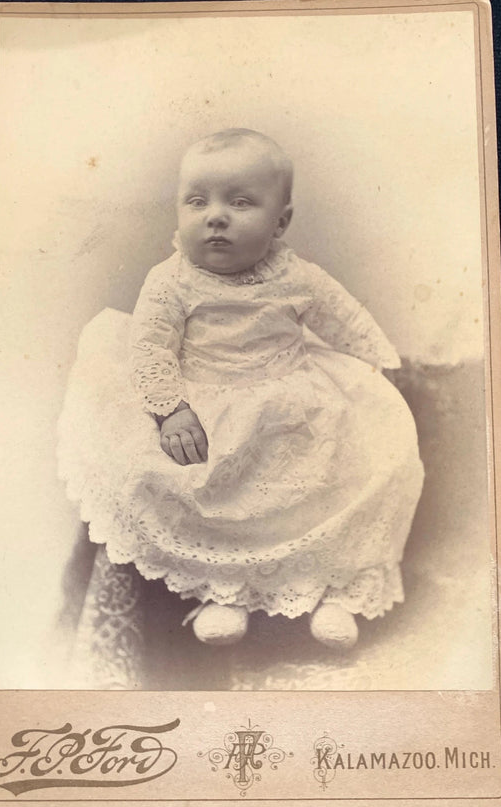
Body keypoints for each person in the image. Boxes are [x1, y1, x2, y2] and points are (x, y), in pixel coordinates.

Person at [58, 128, 424, 650]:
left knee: (342, 466)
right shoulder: (171, 280)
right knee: (210, 490)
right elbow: (151, 348)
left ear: (281, 222)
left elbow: (343, 317)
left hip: (293, 396)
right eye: (197, 201)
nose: (216, 216)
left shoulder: (298, 275)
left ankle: (334, 591)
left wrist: (377, 362)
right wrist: (171, 410)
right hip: (206, 400)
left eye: (241, 202)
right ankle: (225, 592)